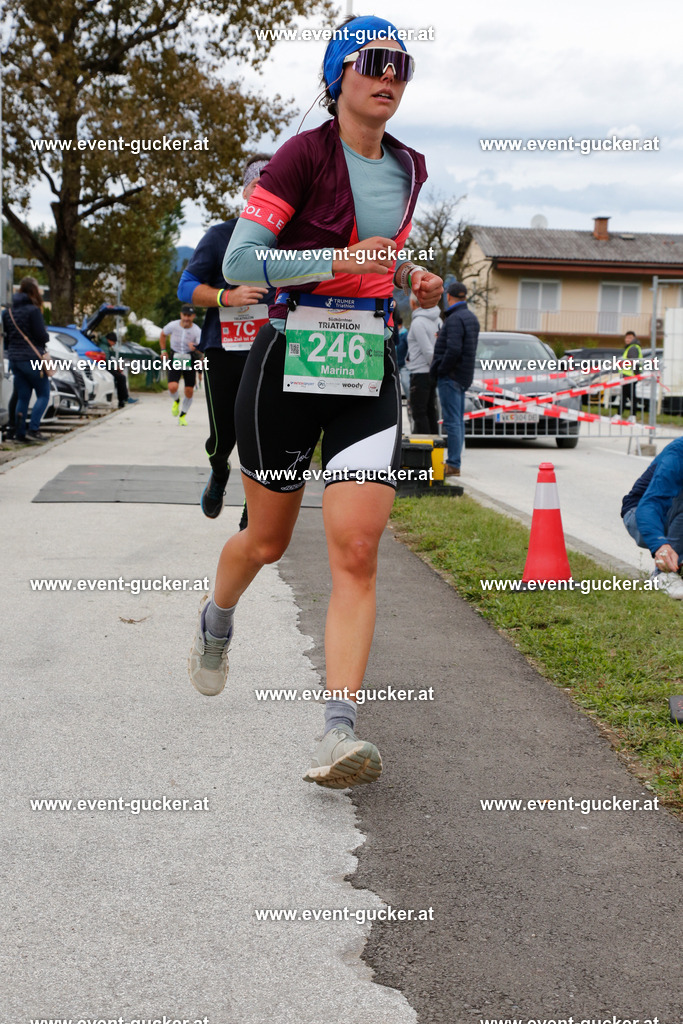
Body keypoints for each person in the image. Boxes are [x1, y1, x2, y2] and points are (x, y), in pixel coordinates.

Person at [187, 14, 443, 788]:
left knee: (356, 551)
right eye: (374, 62)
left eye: (401, 65)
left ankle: (338, 735)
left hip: (366, 366)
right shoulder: (300, 156)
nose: (389, 76)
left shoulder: (408, 167)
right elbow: (241, 258)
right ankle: (215, 621)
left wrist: (411, 278)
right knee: (264, 544)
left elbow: (380, 260)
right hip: (287, 361)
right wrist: (337, 257)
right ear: (339, 77)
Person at [177, 155, 274, 521]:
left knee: (262, 430)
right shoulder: (220, 236)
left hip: (271, 351)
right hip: (225, 349)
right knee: (223, 438)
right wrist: (226, 296)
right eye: (257, 187)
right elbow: (185, 287)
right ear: (245, 193)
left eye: (273, 189)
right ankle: (219, 471)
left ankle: (256, 502)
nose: (263, 194)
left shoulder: (290, 239)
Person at [621, 436, 683, 599]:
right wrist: (660, 545)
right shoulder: (678, 453)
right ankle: (664, 573)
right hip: (640, 516)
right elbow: (650, 505)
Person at [430, 281, 479, 476]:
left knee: (452, 422)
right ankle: (455, 462)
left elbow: (454, 349)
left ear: (448, 297)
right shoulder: (471, 318)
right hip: (463, 376)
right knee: (457, 420)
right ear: (464, 297)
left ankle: (453, 463)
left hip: (451, 376)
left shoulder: (454, 319)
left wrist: (441, 369)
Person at [2, 277, 51, 443]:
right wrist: (45, 336)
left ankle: (20, 433)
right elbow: (41, 336)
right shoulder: (33, 310)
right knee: (44, 394)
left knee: (22, 397)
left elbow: (7, 338)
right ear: (33, 291)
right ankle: (34, 429)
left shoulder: (7, 312)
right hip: (32, 359)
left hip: (15, 359)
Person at [158, 305, 202, 425]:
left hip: (189, 357)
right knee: (172, 387)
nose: (186, 318)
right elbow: (163, 334)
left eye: (189, 316)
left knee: (189, 390)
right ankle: (176, 400)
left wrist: (196, 348)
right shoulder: (173, 325)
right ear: (181, 315)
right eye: (185, 315)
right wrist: (163, 350)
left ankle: (182, 415)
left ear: (193, 316)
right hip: (176, 356)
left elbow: (201, 348)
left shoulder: (197, 330)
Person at [407, 291, 440, 433]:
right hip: (432, 373)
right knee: (430, 411)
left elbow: (427, 351)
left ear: (414, 303)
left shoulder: (418, 322)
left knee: (419, 412)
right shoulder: (438, 321)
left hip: (421, 372)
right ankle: (433, 447)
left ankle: (424, 450)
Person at [99, 332, 138, 409]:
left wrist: (115, 367)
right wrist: (115, 368)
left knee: (120, 377)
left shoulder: (104, 345)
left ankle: (122, 400)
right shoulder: (104, 347)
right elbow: (106, 361)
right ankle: (124, 399)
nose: (114, 344)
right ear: (109, 340)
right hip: (105, 367)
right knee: (121, 378)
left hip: (106, 366)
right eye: (113, 342)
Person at [619, 330, 642, 418]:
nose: (627, 339)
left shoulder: (633, 348)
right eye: (626, 337)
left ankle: (622, 414)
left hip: (630, 376)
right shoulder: (630, 347)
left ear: (634, 339)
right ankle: (631, 415)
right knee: (629, 396)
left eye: (630, 338)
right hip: (628, 376)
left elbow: (634, 362)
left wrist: (636, 375)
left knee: (627, 396)